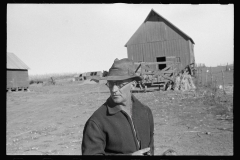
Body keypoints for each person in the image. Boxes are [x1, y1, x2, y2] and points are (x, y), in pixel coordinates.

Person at [81, 58, 154, 155]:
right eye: (111, 84)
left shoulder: (145, 112)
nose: (114, 89)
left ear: (133, 85)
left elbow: (150, 147)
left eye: (120, 84)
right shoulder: (96, 122)